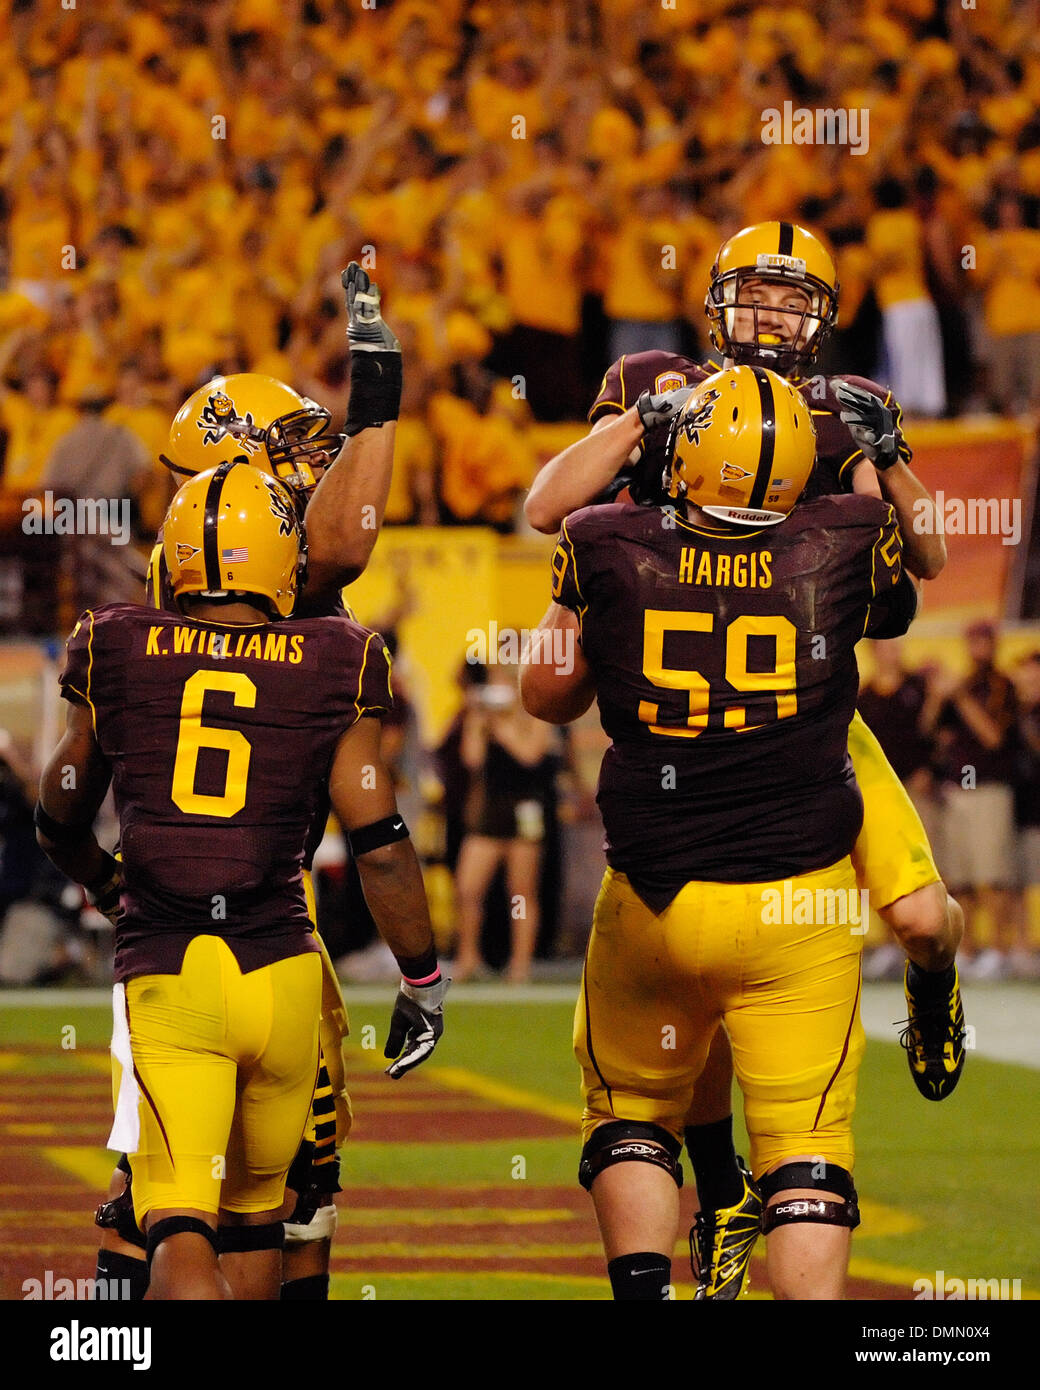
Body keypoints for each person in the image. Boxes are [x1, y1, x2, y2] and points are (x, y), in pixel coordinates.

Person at [523, 221, 964, 1298]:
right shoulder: (647, 381)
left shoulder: (841, 405)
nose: (771, 314)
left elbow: (925, 562)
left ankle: (932, 979)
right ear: (712, 302)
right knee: (721, 943)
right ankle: (724, 1182)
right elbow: (549, 506)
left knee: (901, 917)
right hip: (681, 691)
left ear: (819, 315)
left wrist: (891, 455)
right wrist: (641, 418)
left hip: (807, 713)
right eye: (753, 294)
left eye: (791, 296)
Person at [36, 461, 445, 1300]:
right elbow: (381, 841)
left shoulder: (113, 641)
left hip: (173, 973)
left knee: (181, 1228)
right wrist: (423, 977)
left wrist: (109, 883)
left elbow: (60, 811)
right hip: (286, 978)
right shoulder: (339, 654)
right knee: (258, 1221)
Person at [91, 263, 406, 1300]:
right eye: (291, 464)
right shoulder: (286, 600)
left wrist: (97, 872)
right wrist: (379, 394)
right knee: (231, 1194)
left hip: (187, 925)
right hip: (261, 937)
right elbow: (351, 539)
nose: (314, 482)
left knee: (195, 1184)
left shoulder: (156, 612)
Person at [452, 661, 557, 983]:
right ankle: (468, 957)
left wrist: (504, 725)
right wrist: (477, 720)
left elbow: (531, 755)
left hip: (525, 810)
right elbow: (471, 759)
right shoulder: (484, 716)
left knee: (522, 893)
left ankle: (520, 964)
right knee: (468, 889)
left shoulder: (536, 714)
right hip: (489, 811)